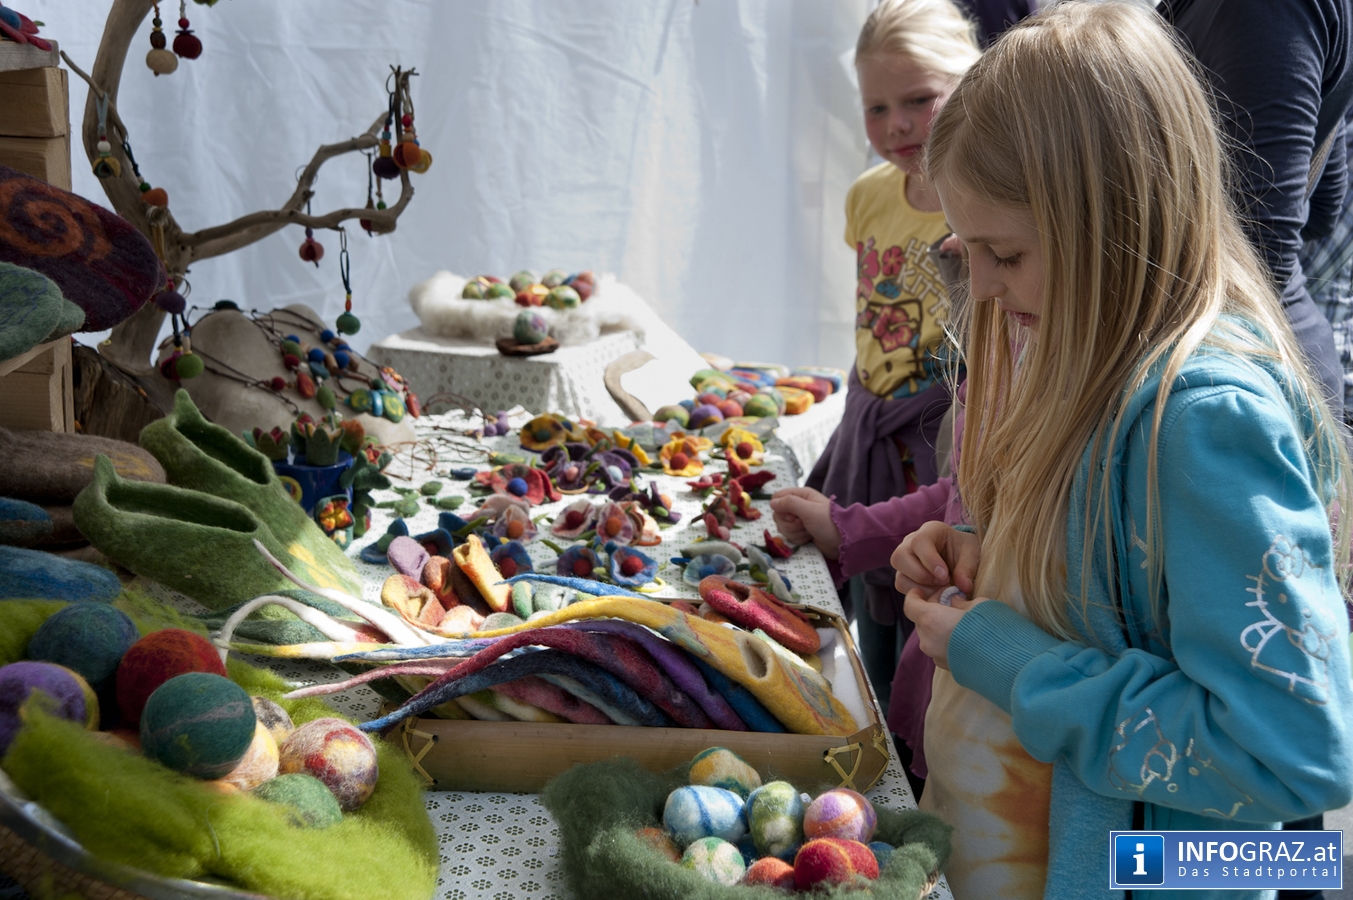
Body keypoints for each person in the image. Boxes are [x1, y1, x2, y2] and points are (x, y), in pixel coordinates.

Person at [893, 4, 1353, 898]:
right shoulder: (1093, 364)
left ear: (1115, 223)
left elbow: (1294, 752)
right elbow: (1133, 606)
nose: (981, 287)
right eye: (967, 250)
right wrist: (1008, 571)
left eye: (1006, 254)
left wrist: (1004, 654)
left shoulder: (1207, 419)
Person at [802, 0, 980, 712]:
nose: (896, 125)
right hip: (870, 420)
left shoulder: (977, 202)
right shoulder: (867, 195)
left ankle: (911, 737)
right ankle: (868, 720)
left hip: (937, 430)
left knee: (921, 583)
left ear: (970, 91)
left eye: (919, 100)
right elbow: (875, 312)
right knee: (867, 594)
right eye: (876, 108)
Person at [1159, 0, 1353, 418]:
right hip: (1259, 360)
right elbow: (1322, 207)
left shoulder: (1269, 10)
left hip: (1233, 382)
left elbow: (1258, 249)